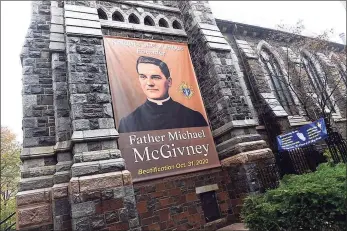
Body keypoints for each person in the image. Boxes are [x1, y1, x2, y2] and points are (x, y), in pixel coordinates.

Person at [118, 56, 208, 133]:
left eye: (156, 77)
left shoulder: (194, 117)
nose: (149, 83)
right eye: (143, 77)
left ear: (169, 82)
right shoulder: (127, 123)